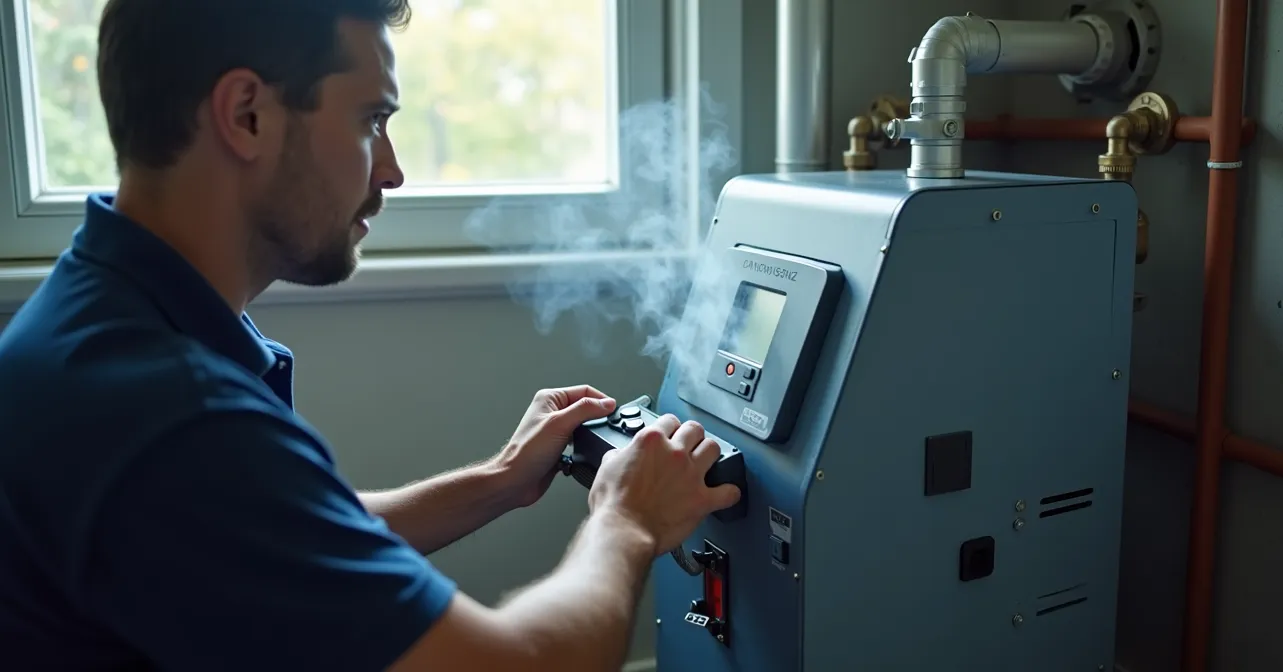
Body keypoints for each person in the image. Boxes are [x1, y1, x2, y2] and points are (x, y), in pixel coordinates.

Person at [0, 0, 741, 670]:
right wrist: (629, 520)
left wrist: (500, 481)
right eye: (369, 122)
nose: (392, 171)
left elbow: (286, 531)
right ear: (247, 114)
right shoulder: (173, 419)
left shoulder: (103, 317)